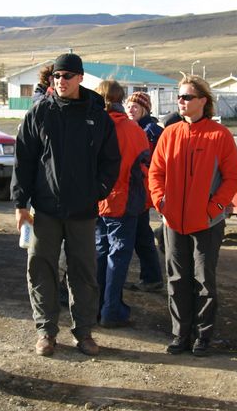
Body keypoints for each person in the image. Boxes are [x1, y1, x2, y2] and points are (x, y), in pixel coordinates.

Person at [12, 53, 120, 357]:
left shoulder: (97, 117)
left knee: (83, 272)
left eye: (68, 76)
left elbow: (111, 161)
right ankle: (46, 331)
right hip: (44, 211)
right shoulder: (39, 113)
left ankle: (84, 332)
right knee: (41, 269)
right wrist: (21, 203)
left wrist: (96, 191)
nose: (61, 81)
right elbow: (24, 161)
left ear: (80, 79)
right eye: (57, 76)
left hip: (83, 212)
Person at [148, 75, 237, 357]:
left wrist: (213, 209)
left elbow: (233, 177)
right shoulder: (170, 133)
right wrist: (161, 203)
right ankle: (180, 335)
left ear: (203, 101)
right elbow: (155, 173)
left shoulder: (219, 135)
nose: (181, 101)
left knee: (203, 280)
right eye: (180, 96)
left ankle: (203, 337)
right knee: (177, 279)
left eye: (187, 97)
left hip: (207, 223)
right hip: (173, 221)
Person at [95, 81, 150, 327]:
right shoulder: (133, 130)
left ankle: (97, 306)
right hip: (123, 201)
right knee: (117, 256)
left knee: (100, 252)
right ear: (121, 98)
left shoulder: (91, 126)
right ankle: (111, 310)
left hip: (95, 201)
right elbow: (142, 167)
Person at [124, 92, 164, 293]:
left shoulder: (150, 131)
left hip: (142, 191)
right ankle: (152, 276)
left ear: (145, 109)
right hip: (141, 191)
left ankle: (152, 277)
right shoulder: (142, 128)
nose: (131, 110)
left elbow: (149, 164)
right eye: (129, 106)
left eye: (135, 107)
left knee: (139, 235)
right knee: (142, 234)